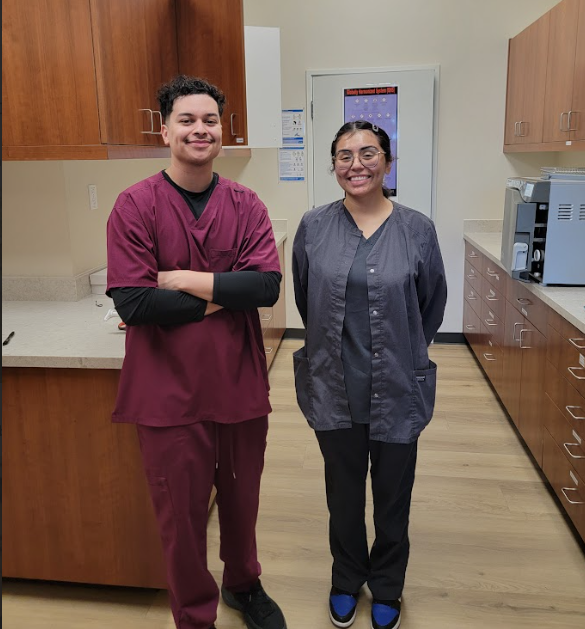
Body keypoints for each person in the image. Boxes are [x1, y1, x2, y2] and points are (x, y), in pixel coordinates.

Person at [106, 75, 287, 629]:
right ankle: (192, 615)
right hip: (167, 395)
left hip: (236, 385)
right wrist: (221, 292)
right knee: (180, 518)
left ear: (222, 132)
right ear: (165, 130)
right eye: (187, 119)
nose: (200, 129)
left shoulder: (246, 203)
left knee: (241, 500)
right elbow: (135, 303)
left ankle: (243, 584)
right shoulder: (135, 206)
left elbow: (265, 289)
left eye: (210, 120)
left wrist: (184, 279)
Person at [292, 121, 447, 629]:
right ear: (333, 165)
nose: (355, 164)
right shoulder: (313, 227)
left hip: (398, 388)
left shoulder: (417, 229)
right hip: (333, 387)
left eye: (368, 153)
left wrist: (402, 352)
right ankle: (345, 577)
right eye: (343, 155)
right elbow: (305, 297)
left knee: (392, 498)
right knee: (342, 495)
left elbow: (431, 304)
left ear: (387, 161)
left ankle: (387, 585)